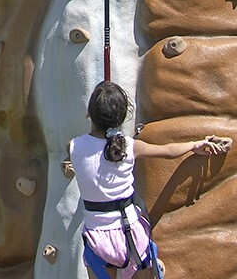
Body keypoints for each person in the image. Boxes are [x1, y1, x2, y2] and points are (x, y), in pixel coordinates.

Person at [69, 80, 231, 279]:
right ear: (121, 117)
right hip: (131, 235)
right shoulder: (129, 146)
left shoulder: (74, 146)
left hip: (98, 238)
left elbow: (88, 158)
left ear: (89, 113)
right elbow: (169, 151)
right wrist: (195, 144)